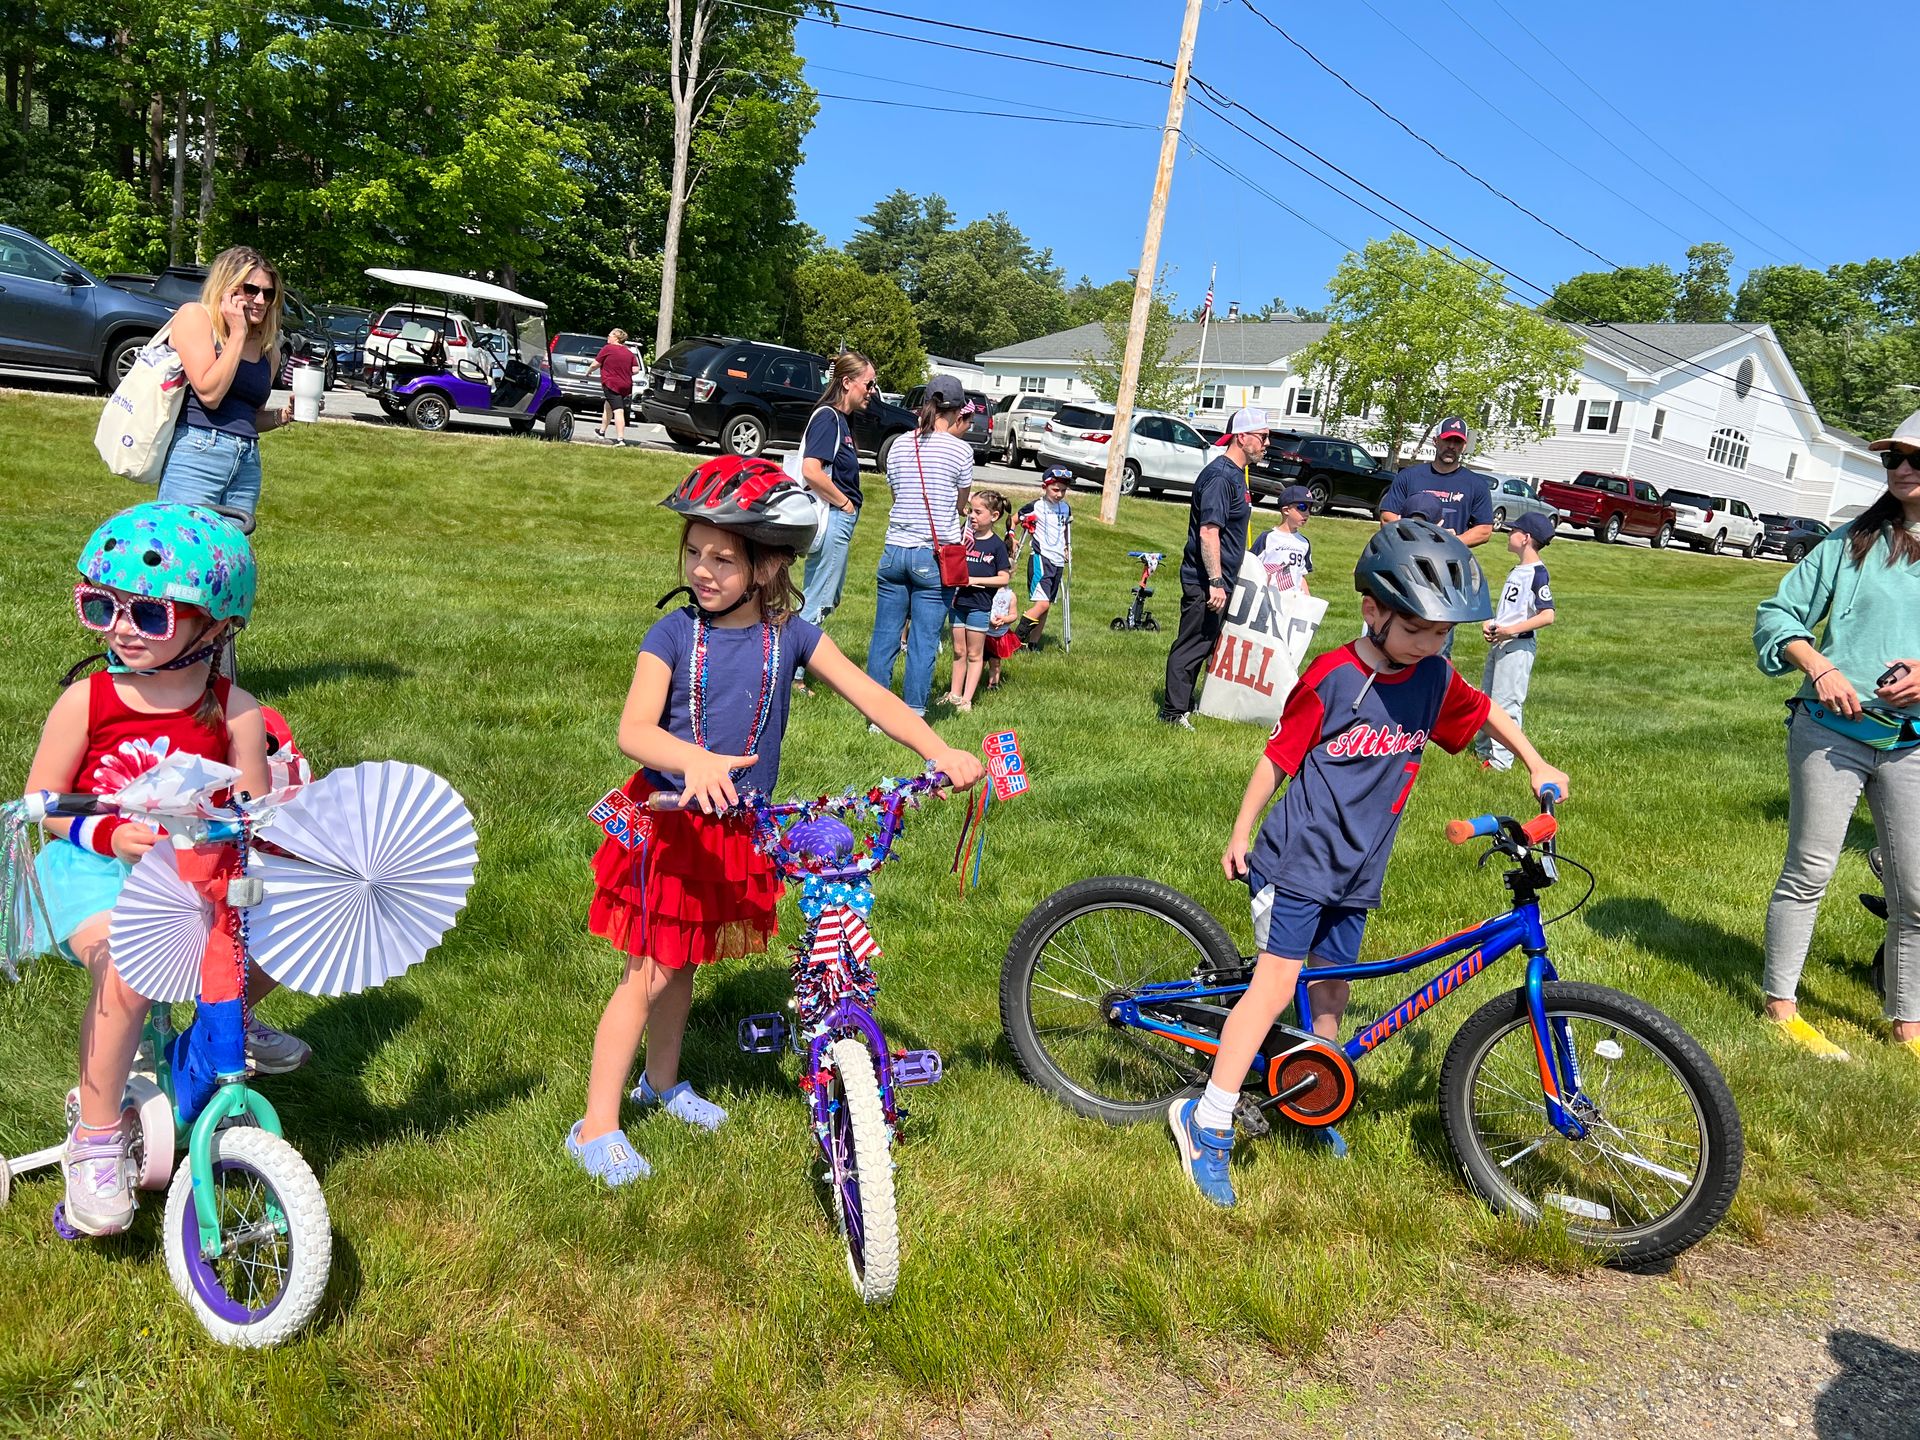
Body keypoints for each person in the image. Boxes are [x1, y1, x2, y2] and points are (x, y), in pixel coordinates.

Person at [572, 457, 983, 1184]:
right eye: (694, 552)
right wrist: (694, 760)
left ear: (765, 568)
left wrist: (939, 747)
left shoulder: (789, 634)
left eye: (722, 559)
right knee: (648, 973)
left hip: (733, 828)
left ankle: (661, 1084)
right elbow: (634, 730)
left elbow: (871, 696)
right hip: (667, 826)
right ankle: (596, 1124)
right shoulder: (670, 635)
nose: (703, 569)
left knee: (684, 965)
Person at [1170, 519, 1570, 1206]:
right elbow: (1277, 758)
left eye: (1442, 633)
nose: (1430, 645)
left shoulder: (1433, 677)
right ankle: (1205, 1122)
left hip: (1358, 869)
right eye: (1417, 629)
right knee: (1273, 990)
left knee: (1332, 992)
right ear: (1373, 610)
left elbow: (1485, 714)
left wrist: (1535, 762)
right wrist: (1241, 831)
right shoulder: (1334, 676)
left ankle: (1307, 1090)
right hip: (1300, 858)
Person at [20, 503, 309, 1235]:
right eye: (101, 607)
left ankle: (225, 1023)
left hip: (191, 872)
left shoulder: (233, 709)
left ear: (216, 627)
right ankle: (95, 1134)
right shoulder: (88, 700)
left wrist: (279, 801)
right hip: (91, 870)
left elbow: (252, 807)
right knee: (129, 966)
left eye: (149, 614)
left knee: (289, 936)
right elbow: (42, 805)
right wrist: (110, 831)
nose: (121, 627)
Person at [1752, 408, 1920, 1064]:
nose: (1903, 468)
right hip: (1831, 734)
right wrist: (1818, 666)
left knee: (1915, 891)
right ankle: (1781, 1007)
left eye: (1917, 459)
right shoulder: (1851, 542)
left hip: (1910, 742)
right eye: (1893, 458)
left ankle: (1907, 1022)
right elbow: (1778, 614)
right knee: (1809, 871)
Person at [864, 375, 974, 717]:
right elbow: (960, 503)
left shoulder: (899, 444)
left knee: (885, 637)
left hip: (895, 549)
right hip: (934, 555)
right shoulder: (961, 450)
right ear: (957, 413)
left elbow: (898, 495)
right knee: (923, 641)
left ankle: (875, 715)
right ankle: (913, 714)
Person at [157, 246, 293, 518]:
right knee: (185, 547)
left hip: (247, 459)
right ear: (227, 287)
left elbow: (250, 417)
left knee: (231, 553)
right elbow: (209, 393)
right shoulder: (195, 317)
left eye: (268, 293)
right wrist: (238, 333)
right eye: (251, 290)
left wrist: (285, 415)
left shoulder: (269, 350)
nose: (260, 300)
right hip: (198, 451)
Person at [1159, 408, 1261, 728]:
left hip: (1222, 578)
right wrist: (1215, 581)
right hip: (1205, 580)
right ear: (1242, 438)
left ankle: (1186, 705)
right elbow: (1209, 532)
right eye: (1263, 436)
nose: (1267, 443)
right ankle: (1172, 713)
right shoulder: (1220, 476)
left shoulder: (1234, 476)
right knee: (1192, 644)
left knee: (1205, 644)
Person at [795, 352, 879, 637]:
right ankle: (793, 672)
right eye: (868, 384)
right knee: (819, 598)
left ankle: (793, 662)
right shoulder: (828, 418)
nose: (872, 391)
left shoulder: (844, 420)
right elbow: (811, 470)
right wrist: (844, 503)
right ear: (846, 382)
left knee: (828, 596)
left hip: (838, 516)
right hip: (831, 516)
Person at [1474, 512, 1558, 772]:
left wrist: (1510, 630)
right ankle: (1483, 750)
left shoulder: (1537, 574)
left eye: (1514, 531)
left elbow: (1547, 615)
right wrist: (1494, 625)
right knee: (1488, 699)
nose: (1509, 534)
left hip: (1517, 647)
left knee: (1507, 703)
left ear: (1526, 538)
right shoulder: (1518, 570)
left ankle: (1501, 761)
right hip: (1501, 643)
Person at [1378, 416, 1494, 546]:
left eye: (1457, 442)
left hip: (1450, 560)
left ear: (1464, 446)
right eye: (1447, 439)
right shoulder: (1408, 476)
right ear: (1435, 441)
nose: (1451, 446)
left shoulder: (1477, 485)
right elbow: (1387, 518)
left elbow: (1484, 530)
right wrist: (1417, 535)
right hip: (1407, 553)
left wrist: (1452, 541)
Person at [945, 490, 1011, 712]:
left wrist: (974, 580)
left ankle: (967, 699)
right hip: (957, 602)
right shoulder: (964, 538)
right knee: (958, 651)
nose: (972, 515)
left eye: (978, 512)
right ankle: (954, 694)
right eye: (971, 511)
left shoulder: (996, 546)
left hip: (979, 606)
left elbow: (1004, 577)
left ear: (994, 516)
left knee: (974, 654)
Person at [1013, 468, 1073, 650]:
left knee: (1046, 606)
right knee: (1042, 603)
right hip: (1041, 558)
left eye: (1063, 490)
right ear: (1044, 487)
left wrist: (1066, 547)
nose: (1059, 494)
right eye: (1055, 489)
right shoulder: (1036, 506)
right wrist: (1011, 536)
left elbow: (1064, 529)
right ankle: (1015, 640)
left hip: (1057, 560)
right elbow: (1013, 519)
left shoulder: (1065, 508)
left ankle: (1033, 644)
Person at [1254, 484, 1314, 596]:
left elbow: (1301, 575)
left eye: (1309, 508)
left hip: (1293, 601)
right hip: (1268, 598)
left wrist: (1307, 599)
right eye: (1302, 507)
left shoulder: (1304, 543)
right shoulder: (1268, 537)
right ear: (1286, 510)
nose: (1307, 513)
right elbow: (1252, 566)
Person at [585, 328, 637, 446]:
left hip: (611, 384)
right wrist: (624, 372)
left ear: (616, 338)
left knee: (618, 410)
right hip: (625, 385)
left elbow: (595, 364)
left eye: (610, 335)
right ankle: (602, 432)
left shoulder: (608, 349)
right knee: (608, 406)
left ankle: (620, 439)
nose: (608, 337)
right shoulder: (629, 352)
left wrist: (588, 371)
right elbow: (635, 369)